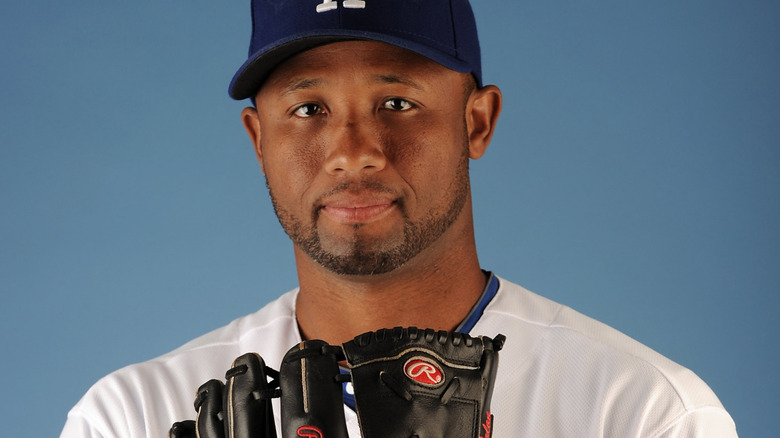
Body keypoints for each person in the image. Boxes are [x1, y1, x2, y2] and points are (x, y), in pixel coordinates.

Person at [60, 1, 738, 437]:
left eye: (397, 103)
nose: (354, 152)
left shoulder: (643, 410)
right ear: (257, 139)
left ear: (477, 121)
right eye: (308, 110)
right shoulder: (134, 416)